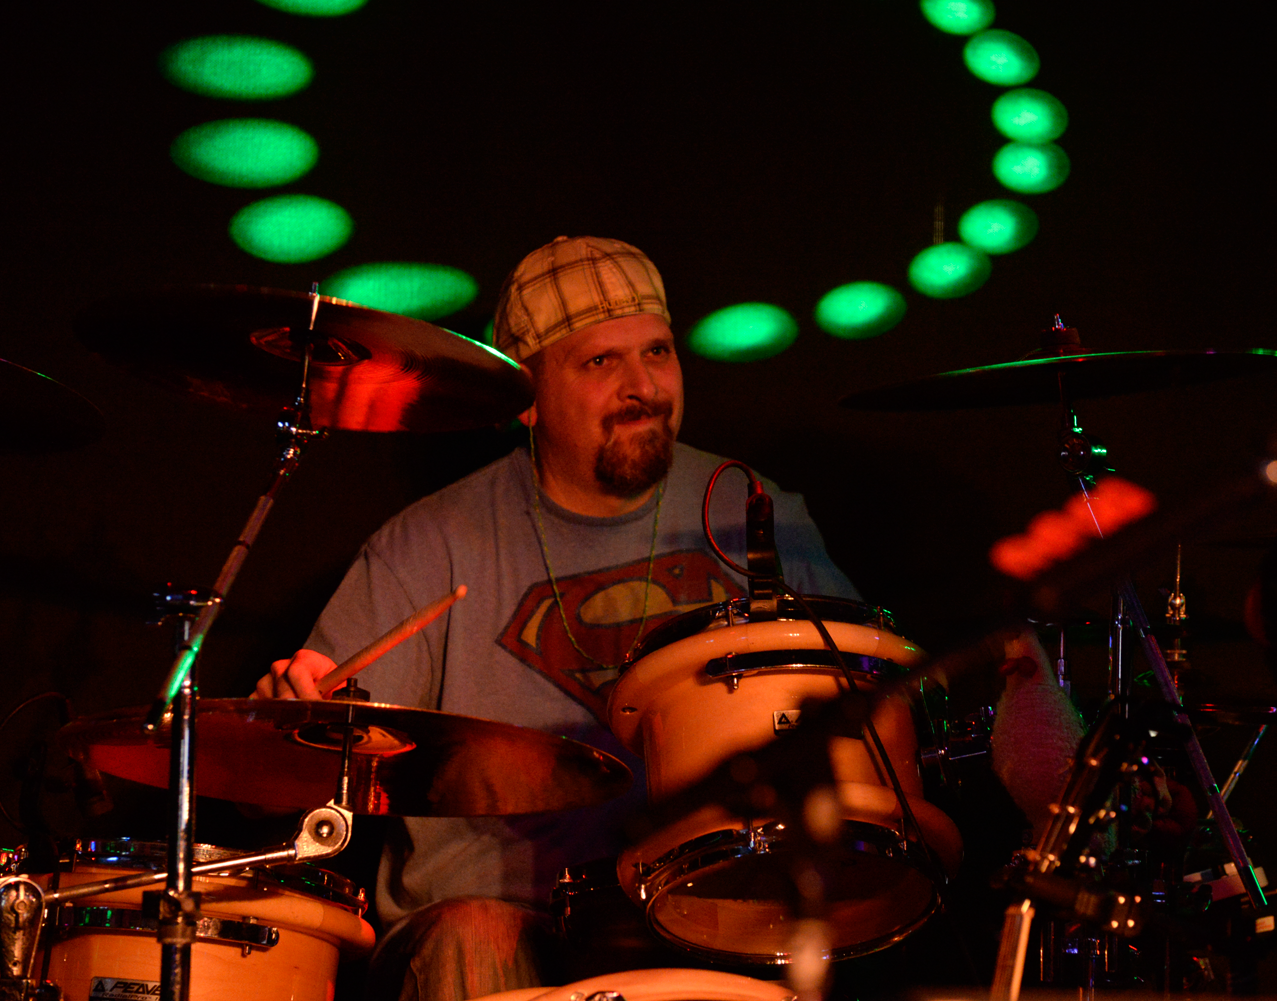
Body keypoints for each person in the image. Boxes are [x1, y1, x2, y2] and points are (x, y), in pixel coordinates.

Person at [257, 236, 1075, 999]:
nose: (642, 386)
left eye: (656, 352)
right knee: (475, 934)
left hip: (719, 905)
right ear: (527, 397)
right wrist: (300, 720)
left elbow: (871, 711)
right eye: (600, 361)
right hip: (505, 921)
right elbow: (315, 746)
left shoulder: (757, 511)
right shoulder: (427, 544)